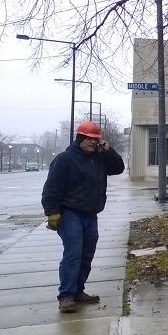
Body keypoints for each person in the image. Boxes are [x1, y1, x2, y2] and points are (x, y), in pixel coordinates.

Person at [41, 121, 125, 313]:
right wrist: (52, 212)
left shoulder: (99, 159)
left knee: (87, 253)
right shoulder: (65, 159)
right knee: (73, 253)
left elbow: (118, 167)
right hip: (70, 213)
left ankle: (78, 291)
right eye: (88, 138)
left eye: (95, 139)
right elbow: (52, 188)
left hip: (90, 213)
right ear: (79, 138)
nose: (92, 142)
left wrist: (108, 149)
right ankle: (66, 296)